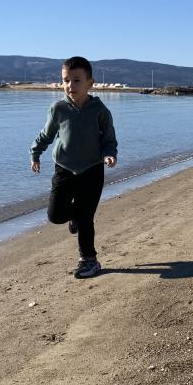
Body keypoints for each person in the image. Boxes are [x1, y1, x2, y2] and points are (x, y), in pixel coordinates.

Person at [30, 56, 117, 279]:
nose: (70, 85)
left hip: (93, 169)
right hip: (64, 168)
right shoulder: (58, 109)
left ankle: (89, 260)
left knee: (86, 216)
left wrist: (109, 155)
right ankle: (75, 217)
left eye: (76, 80)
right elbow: (46, 135)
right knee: (55, 214)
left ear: (90, 83)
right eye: (66, 80)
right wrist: (35, 153)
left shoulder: (100, 110)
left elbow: (109, 139)